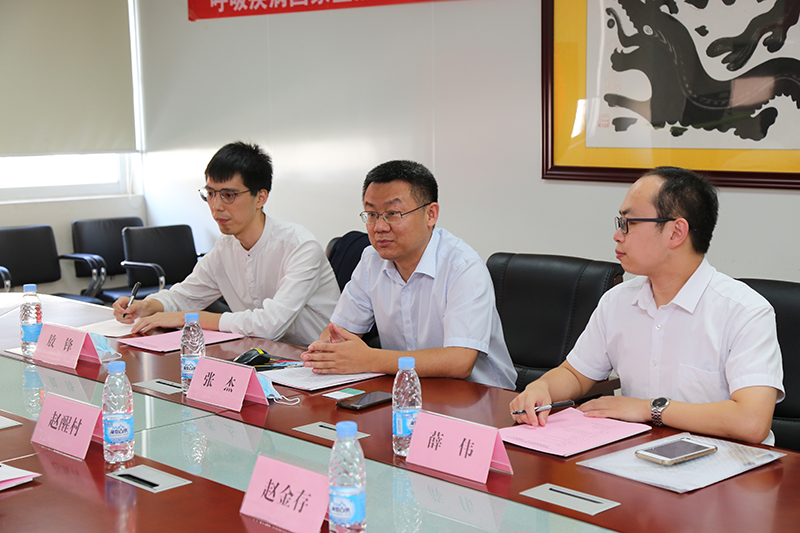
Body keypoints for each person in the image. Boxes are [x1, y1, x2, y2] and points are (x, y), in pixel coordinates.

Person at [510, 167, 784, 444]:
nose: (617, 235)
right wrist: (542, 388)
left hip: (724, 461)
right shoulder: (618, 301)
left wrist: (647, 409)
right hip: (637, 451)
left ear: (676, 232)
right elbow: (575, 374)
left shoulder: (745, 312)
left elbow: (751, 422)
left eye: (629, 223)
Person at [301, 160, 517, 390]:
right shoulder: (371, 260)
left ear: (431, 214)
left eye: (392, 213)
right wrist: (327, 351)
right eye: (372, 214)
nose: (379, 227)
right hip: (407, 390)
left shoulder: (463, 266)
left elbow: (459, 362)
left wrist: (369, 359)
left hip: (480, 396)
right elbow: (338, 332)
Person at [112, 142, 340, 347]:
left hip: (314, 360)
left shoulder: (300, 247)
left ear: (260, 198)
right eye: (211, 193)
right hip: (258, 355)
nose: (216, 206)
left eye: (228, 195)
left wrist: (190, 318)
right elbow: (186, 295)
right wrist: (147, 306)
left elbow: (270, 325)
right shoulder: (226, 246)